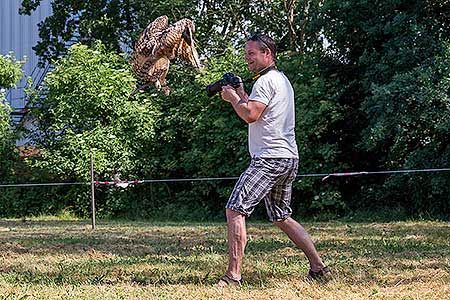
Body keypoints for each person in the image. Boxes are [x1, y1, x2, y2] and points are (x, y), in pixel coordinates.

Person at [218, 34, 329, 286]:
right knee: (281, 216)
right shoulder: (280, 80)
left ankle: (233, 276)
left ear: (267, 53)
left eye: (252, 54)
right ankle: (318, 267)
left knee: (235, 209)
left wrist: (233, 98)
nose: (247, 59)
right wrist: (242, 93)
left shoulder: (266, 81)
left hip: (269, 159)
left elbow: (250, 115)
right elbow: (256, 108)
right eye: (246, 53)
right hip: (288, 157)